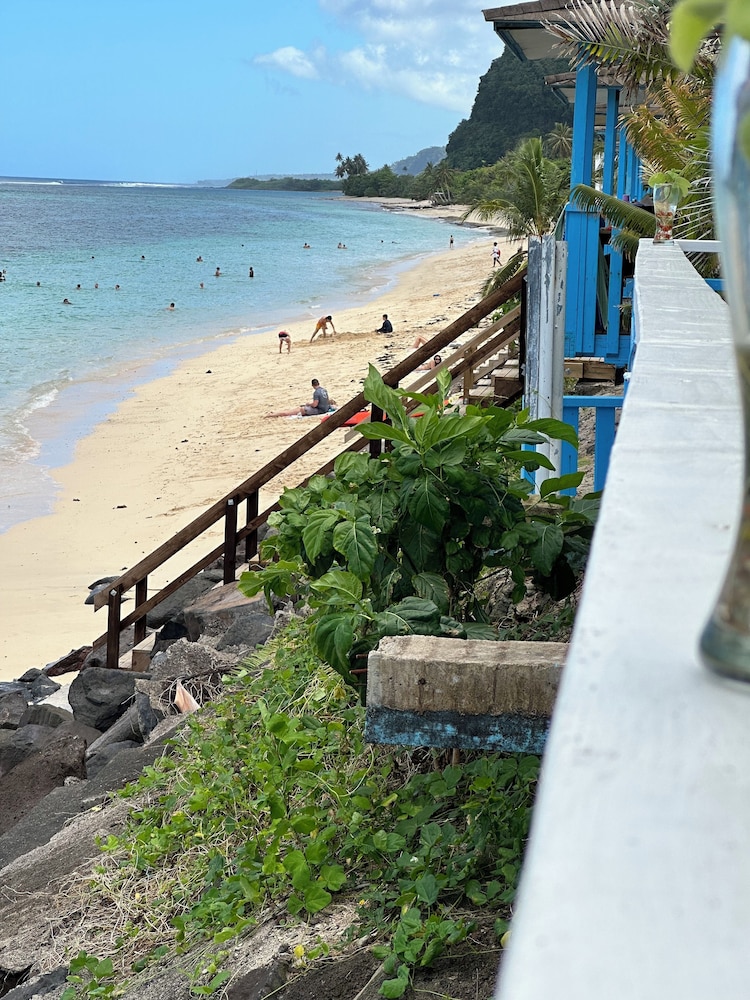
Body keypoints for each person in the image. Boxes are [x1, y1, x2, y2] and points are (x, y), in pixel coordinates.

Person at [265, 378, 336, 417]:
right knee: (295, 410)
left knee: (290, 412)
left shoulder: (316, 392)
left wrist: (309, 404)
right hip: (324, 409)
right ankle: (276, 412)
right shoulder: (324, 390)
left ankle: (273, 414)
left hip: (319, 410)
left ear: (312, 385)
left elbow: (315, 404)